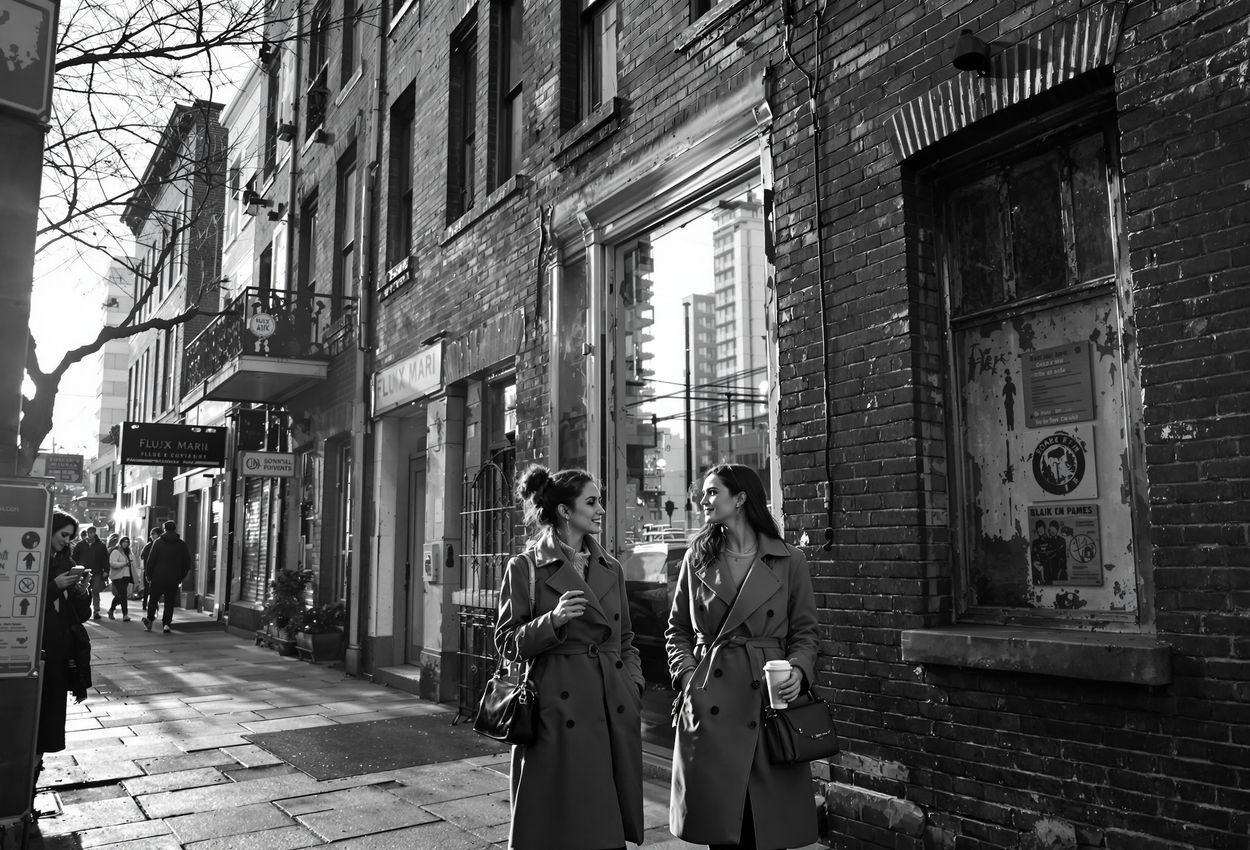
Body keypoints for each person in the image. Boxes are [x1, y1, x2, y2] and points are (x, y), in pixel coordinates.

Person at [666, 464, 819, 850]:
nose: (703, 499)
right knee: (722, 831)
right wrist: (689, 680)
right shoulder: (696, 559)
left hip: (769, 700)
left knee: (767, 829)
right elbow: (677, 632)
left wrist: (799, 671)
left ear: (740, 498)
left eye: (712, 492)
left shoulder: (790, 560)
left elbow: (805, 633)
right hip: (711, 699)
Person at [494, 465, 644, 850]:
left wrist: (631, 685)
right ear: (564, 511)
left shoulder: (610, 567)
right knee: (552, 827)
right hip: (553, 713)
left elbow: (626, 638)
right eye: (591, 502)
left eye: (600, 502)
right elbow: (508, 643)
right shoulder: (525, 567)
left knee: (601, 827)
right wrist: (553, 620)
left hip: (608, 704)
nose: (600, 511)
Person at [36, 511, 92, 804]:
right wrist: (53, 586)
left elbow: (81, 615)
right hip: (33, 645)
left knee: (49, 718)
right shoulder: (32, 559)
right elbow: (25, 603)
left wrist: (81, 591)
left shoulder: (68, 564)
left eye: (71, 537)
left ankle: (33, 773)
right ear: (50, 530)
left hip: (59, 650)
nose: (66, 541)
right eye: (63, 535)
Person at [143, 521, 192, 634]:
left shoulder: (158, 543)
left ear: (164, 529)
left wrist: (148, 575)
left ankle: (150, 620)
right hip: (173, 579)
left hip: (157, 577)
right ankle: (166, 624)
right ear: (175, 529)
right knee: (169, 602)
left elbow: (151, 561)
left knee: (153, 600)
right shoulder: (181, 544)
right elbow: (186, 563)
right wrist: (181, 576)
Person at [73, 527, 110, 620]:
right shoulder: (80, 545)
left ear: (95, 533)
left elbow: (105, 558)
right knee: (84, 591)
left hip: (97, 571)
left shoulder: (101, 545)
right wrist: (75, 569)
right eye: (89, 532)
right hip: (83, 571)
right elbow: (75, 558)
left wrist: (106, 570)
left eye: (92, 532)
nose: (90, 534)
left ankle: (96, 610)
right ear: (87, 533)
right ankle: (84, 609)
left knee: (96, 591)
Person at [107, 535, 137, 621]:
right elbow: (112, 563)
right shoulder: (116, 551)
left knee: (121, 595)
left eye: (127, 542)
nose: (125, 543)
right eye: (124, 541)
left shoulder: (129, 552)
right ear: (120, 542)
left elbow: (133, 564)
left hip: (126, 576)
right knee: (123, 594)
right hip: (117, 576)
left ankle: (111, 610)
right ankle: (125, 614)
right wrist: (124, 564)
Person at [138, 528, 161, 610]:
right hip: (151, 570)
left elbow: (142, 556)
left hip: (151, 570)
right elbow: (142, 556)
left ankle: (149, 605)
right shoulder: (149, 545)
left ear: (158, 535)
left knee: (149, 589)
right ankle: (148, 605)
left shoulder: (150, 545)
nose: (151, 536)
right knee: (148, 589)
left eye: (152, 534)